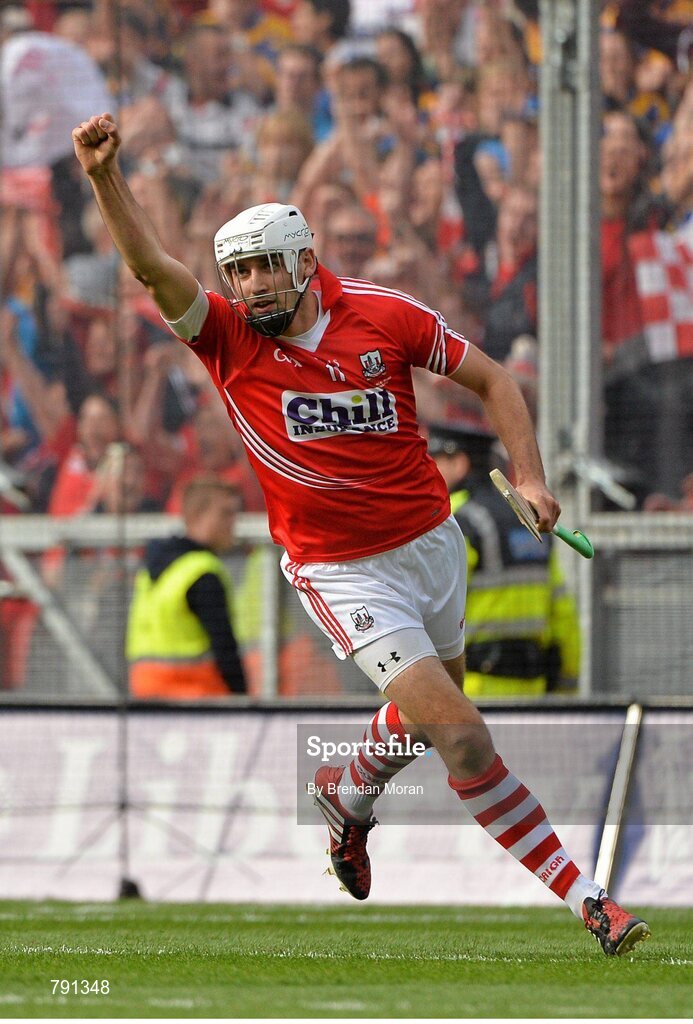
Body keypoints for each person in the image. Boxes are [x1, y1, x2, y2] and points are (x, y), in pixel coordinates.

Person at [72, 111, 649, 957]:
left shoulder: (380, 314)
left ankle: (346, 792)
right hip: (341, 570)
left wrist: (528, 475)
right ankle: (589, 900)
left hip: (431, 546)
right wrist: (103, 177)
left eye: (266, 267)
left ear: (305, 262)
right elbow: (149, 266)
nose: (252, 286)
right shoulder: (226, 340)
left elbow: (493, 381)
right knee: (459, 732)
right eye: (239, 272)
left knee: (428, 721)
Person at [427, 422, 579, 698]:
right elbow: (562, 611)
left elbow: (428, 606)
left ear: (459, 463)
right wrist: (566, 688)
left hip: (467, 692)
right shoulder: (528, 521)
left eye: (433, 461)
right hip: (534, 692)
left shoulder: (452, 522)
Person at [126, 476, 247, 699]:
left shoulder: (153, 567)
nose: (233, 523)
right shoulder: (202, 573)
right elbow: (225, 648)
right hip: (197, 696)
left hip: (146, 693)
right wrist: (241, 698)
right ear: (198, 515)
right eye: (225, 514)